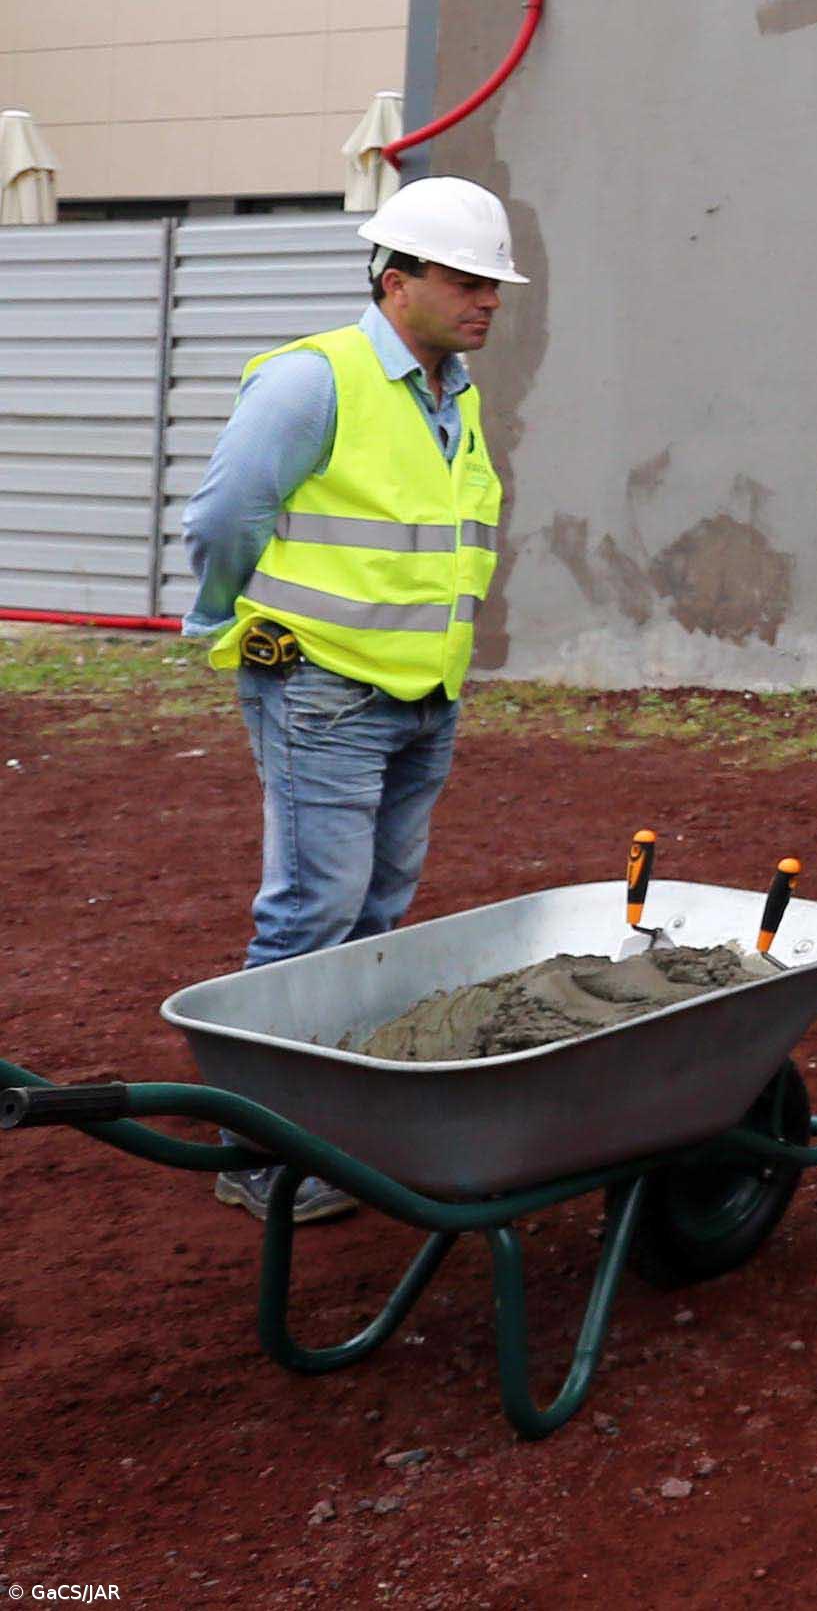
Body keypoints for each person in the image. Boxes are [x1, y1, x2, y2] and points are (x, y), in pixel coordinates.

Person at [181, 174, 527, 1223]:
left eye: (493, 286)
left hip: (422, 694)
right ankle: (258, 1152)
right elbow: (226, 513)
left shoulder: (451, 394)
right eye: (465, 280)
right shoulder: (313, 380)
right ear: (396, 278)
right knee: (312, 914)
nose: (485, 302)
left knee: (377, 914)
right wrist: (219, 616)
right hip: (322, 687)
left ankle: (338, 1127)